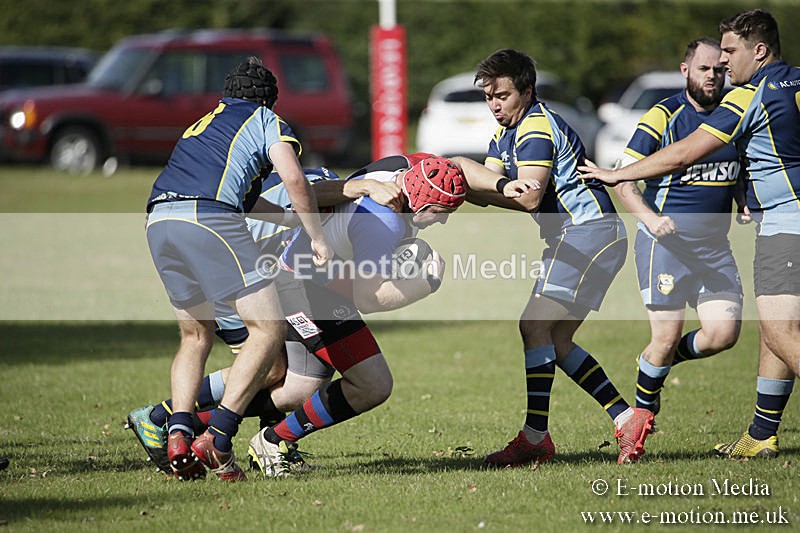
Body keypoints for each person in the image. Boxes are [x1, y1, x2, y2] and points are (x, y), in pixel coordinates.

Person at [132, 154, 467, 477]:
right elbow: (369, 297)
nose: (443, 220)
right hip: (300, 285)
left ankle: (217, 429)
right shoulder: (383, 224)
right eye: (441, 211)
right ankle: (199, 424)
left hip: (305, 278)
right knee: (372, 384)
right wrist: (426, 284)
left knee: (297, 388)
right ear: (421, 201)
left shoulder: (397, 169)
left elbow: (314, 192)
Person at [578, 9, 799, 459]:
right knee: (767, 333)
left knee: (774, 332)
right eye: (711, 64)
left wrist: (609, 173)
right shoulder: (794, 81)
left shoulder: (746, 96)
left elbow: (682, 156)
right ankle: (757, 434)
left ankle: (654, 375)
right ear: (686, 70)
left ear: (759, 51)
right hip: (670, 245)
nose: (723, 66)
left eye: (729, 56)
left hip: (780, 228)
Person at [452, 48, 655, 467]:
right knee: (555, 340)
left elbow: (526, 197)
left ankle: (535, 438)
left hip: (589, 233)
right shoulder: (506, 132)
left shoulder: (535, 130)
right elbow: (494, 188)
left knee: (534, 325)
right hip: (585, 236)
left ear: (526, 91)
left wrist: (468, 177)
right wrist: (451, 185)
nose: (494, 105)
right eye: (489, 96)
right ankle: (625, 416)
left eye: (503, 95)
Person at [145, 56, 331, 481]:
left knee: (195, 336)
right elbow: (295, 180)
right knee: (268, 329)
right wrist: (316, 235)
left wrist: (287, 219)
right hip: (209, 219)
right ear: (269, 100)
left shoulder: (205, 123)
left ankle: (178, 432)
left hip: (159, 221)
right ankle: (219, 436)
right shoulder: (266, 119)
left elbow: (243, 196)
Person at [612, 38, 743, 419]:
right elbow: (624, 182)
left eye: (719, 70)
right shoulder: (663, 115)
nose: (713, 77)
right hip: (664, 246)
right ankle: (641, 421)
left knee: (723, 335)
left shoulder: (735, 115)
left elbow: (739, 168)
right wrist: (651, 220)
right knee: (665, 336)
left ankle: (656, 363)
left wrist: (744, 200)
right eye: (704, 69)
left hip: (714, 248)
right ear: (685, 70)